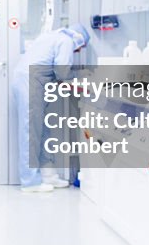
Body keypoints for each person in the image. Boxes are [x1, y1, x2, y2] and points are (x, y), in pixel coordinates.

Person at [11, 23, 90, 192]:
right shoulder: (67, 41)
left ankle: (49, 176)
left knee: (43, 130)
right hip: (30, 82)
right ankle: (30, 182)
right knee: (31, 132)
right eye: (81, 48)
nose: (78, 52)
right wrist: (78, 80)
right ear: (80, 41)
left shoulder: (52, 36)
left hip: (33, 81)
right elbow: (62, 72)